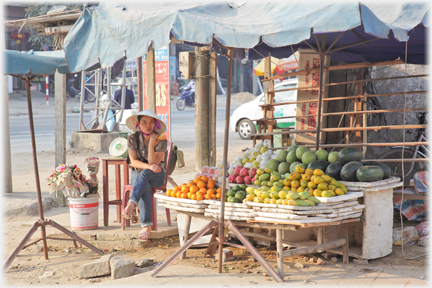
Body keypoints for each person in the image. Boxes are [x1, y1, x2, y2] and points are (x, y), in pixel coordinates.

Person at [122, 110, 167, 242]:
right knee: (144, 180)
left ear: (155, 124)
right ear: (138, 124)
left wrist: (152, 146)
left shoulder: (161, 139)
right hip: (139, 175)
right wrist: (147, 166)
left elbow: (155, 164)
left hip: (157, 176)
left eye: (151, 122)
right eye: (144, 122)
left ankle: (131, 203)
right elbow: (133, 161)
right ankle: (147, 226)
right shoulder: (132, 138)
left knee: (146, 174)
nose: (148, 125)